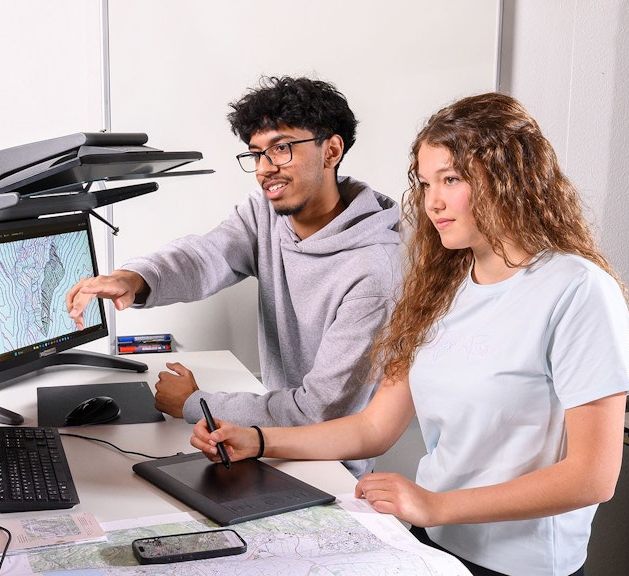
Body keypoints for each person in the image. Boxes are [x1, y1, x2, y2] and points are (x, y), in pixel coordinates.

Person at [191, 93, 629, 576]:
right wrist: (258, 440)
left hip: (519, 563)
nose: (434, 203)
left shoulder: (577, 290)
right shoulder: (440, 286)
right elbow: (373, 426)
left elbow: (592, 478)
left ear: (509, 180)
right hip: (431, 544)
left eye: (452, 179)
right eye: (426, 184)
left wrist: (433, 506)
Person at [66, 76, 401, 477]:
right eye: (256, 154)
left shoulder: (375, 271)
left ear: (331, 150)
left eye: (281, 148)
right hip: (268, 442)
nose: (265, 169)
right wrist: (134, 278)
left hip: (328, 468)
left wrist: (195, 404)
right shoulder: (267, 214)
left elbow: (319, 411)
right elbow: (208, 255)